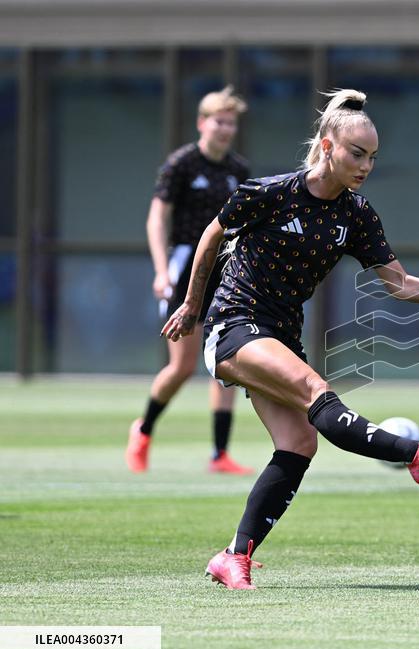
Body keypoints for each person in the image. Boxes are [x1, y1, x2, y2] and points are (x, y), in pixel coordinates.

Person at [161, 89, 419, 590]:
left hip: (281, 333)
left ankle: (232, 557)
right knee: (318, 393)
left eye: (373, 157)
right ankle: (417, 454)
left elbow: (397, 283)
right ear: (328, 146)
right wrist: (191, 305)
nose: (365, 165)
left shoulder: (356, 214)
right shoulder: (269, 192)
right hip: (233, 323)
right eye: (357, 154)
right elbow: (210, 236)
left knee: (299, 442)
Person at [126, 86, 254, 475]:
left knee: (225, 362)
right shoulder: (181, 164)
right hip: (185, 268)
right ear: (202, 123)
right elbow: (156, 219)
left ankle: (219, 454)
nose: (226, 129)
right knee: (182, 367)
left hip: (226, 272)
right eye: (219, 121)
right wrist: (162, 269)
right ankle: (143, 430)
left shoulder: (238, 171)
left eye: (231, 123)